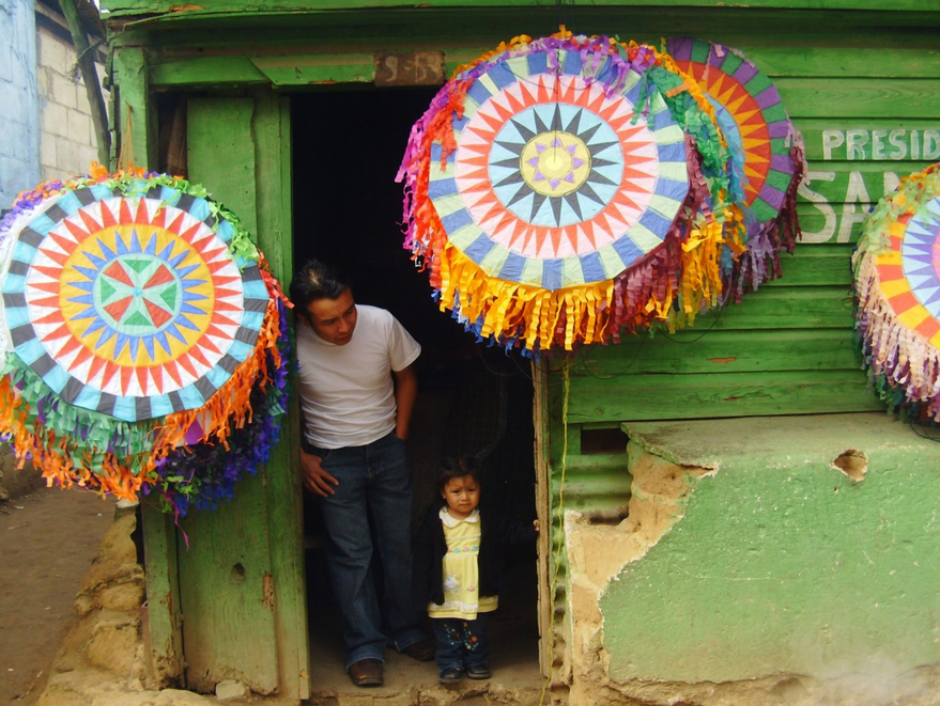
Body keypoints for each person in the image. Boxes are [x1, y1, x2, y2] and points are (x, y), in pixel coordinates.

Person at [291, 259, 434, 687]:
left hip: (387, 451)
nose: (344, 326)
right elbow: (274, 408)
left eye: (348, 311)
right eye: (329, 321)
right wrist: (299, 457)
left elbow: (406, 377)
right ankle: (364, 647)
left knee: (398, 546)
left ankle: (406, 631)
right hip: (332, 461)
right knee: (352, 555)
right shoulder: (287, 343)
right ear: (304, 317)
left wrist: (399, 438)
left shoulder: (381, 323)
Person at [412, 456, 539, 684]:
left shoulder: (486, 518)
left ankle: (476, 661)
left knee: (476, 629)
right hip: (445, 589)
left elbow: (510, 532)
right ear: (443, 493)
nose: (465, 497)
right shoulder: (435, 522)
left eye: (471, 490)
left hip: (475, 587)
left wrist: (531, 529)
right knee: (447, 629)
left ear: (480, 489)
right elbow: (422, 557)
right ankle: (449, 664)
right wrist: (421, 589)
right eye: (456, 491)